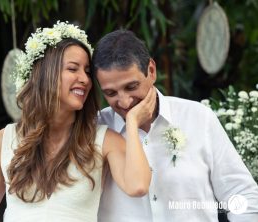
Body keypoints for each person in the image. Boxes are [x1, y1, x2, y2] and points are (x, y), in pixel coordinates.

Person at [0, 22, 152, 222]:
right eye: (73, 69)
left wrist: (132, 122)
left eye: (87, 71)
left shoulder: (104, 140)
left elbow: (138, 186)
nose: (84, 79)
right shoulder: (1, 142)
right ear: (45, 73)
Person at [93, 29, 258, 222]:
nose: (125, 101)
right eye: (111, 93)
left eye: (131, 87)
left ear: (151, 71)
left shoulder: (198, 117)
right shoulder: (94, 130)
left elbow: (240, 193)